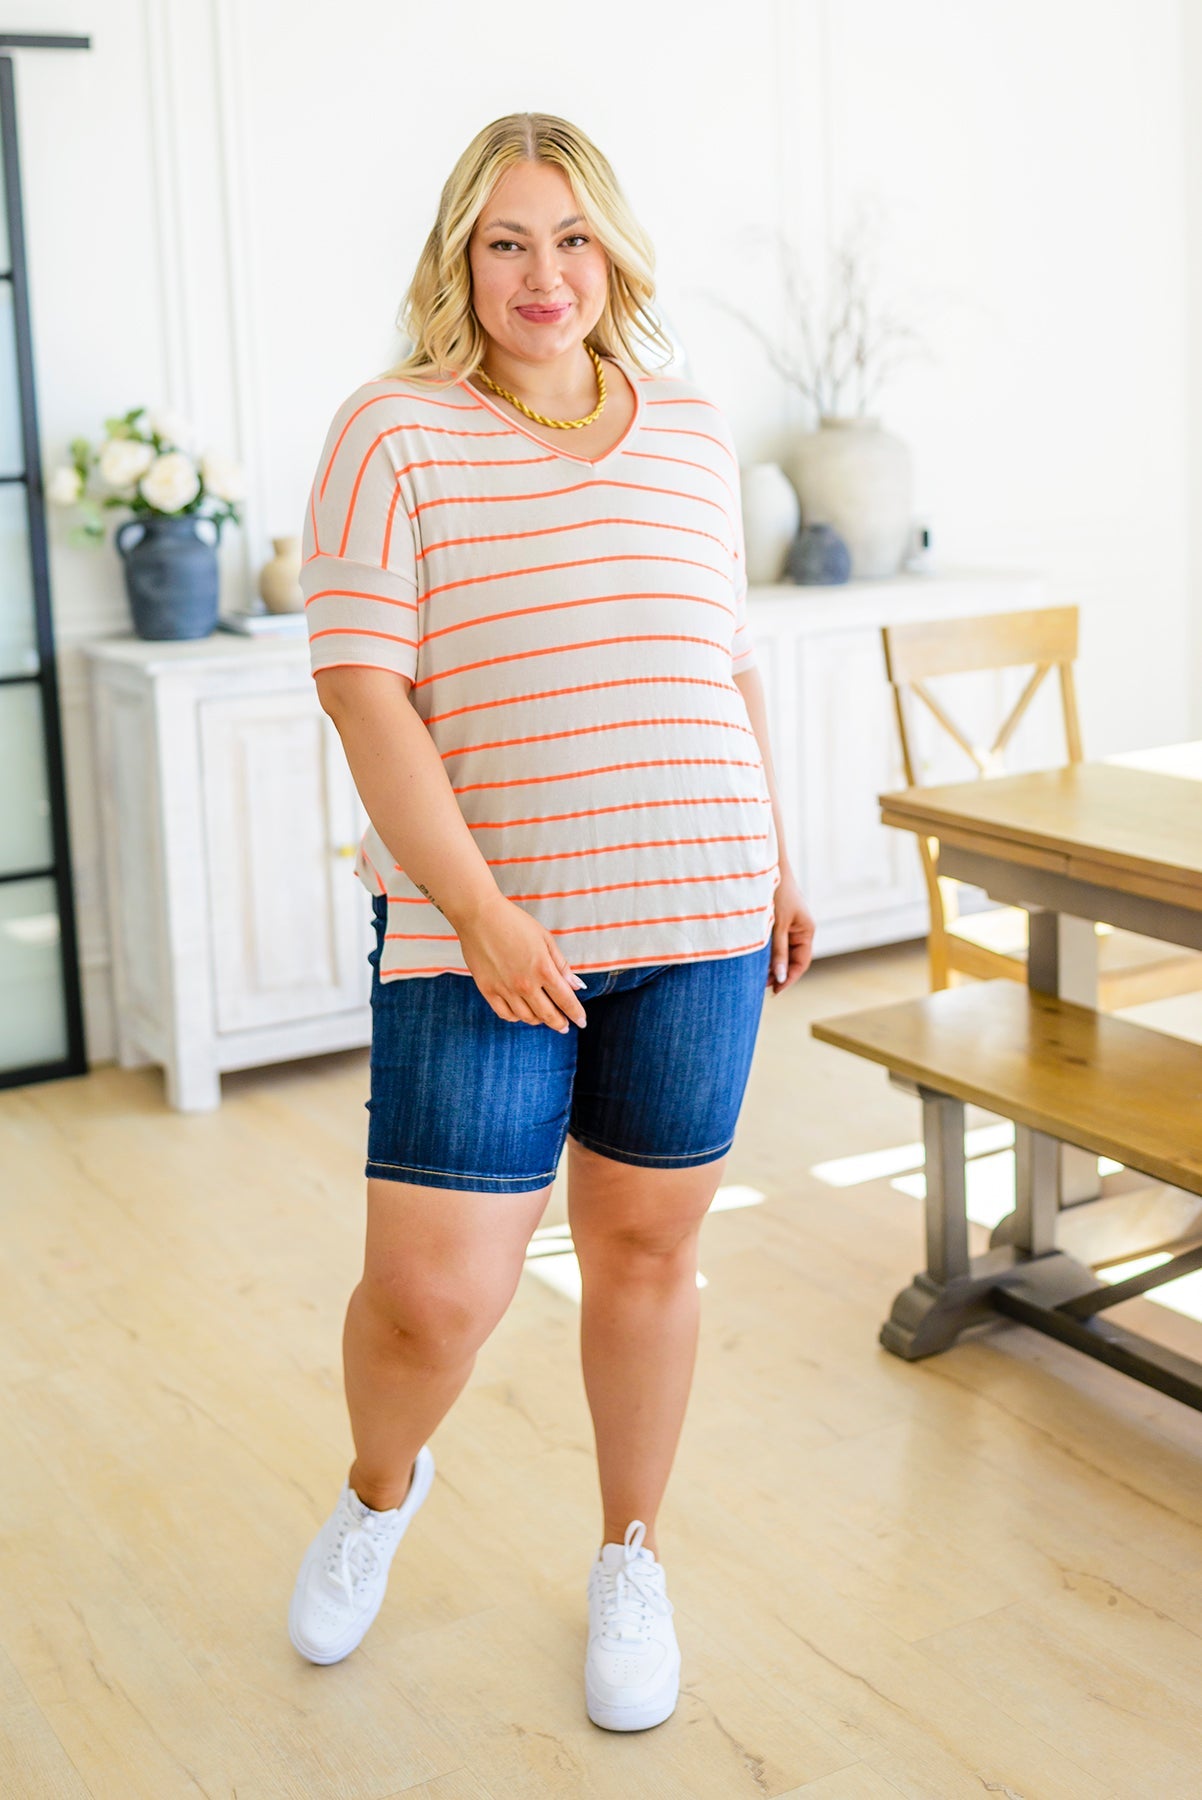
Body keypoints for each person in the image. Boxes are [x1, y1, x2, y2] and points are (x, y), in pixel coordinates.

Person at [287, 110, 815, 1732]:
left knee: (647, 1256)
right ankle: (381, 1490)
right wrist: (483, 911)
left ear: (613, 257)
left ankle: (629, 1553)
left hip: (700, 915)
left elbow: (716, 661)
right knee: (437, 1295)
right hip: (481, 941)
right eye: (508, 240)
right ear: (464, 255)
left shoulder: (689, 431)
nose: (542, 273)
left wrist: (777, 860)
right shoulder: (391, 433)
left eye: (570, 238)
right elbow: (364, 696)